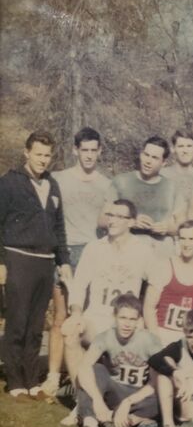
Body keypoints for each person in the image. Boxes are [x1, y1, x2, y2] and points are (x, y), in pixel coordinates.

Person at [39, 127, 117, 396]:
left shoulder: (107, 184)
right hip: (66, 252)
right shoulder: (59, 179)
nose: (89, 155)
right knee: (61, 316)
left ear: (100, 151)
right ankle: (53, 375)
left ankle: (81, 377)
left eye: (94, 150)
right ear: (75, 150)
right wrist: (58, 254)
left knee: (88, 317)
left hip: (94, 252)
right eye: (84, 150)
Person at [0, 130, 71, 397]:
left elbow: (59, 227)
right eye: (38, 154)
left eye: (47, 155)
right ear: (26, 153)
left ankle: (31, 380)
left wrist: (64, 261)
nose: (43, 160)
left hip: (45, 262)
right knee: (17, 322)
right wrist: (1, 262)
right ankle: (15, 381)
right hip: (18, 258)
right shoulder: (9, 183)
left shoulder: (52, 185)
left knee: (36, 324)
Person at [62, 199, 153, 386]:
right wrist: (76, 313)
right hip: (96, 317)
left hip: (124, 322)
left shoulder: (143, 250)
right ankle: (80, 395)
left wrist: (143, 318)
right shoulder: (94, 248)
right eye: (110, 215)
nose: (112, 220)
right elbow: (79, 285)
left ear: (131, 222)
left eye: (119, 216)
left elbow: (156, 284)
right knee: (71, 331)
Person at [72, 295, 161, 427]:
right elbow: (84, 368)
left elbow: (157, 379)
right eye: (123, 318)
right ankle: (90, 424)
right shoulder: (105, 337)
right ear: (114, 317)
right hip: (115, 391)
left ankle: (128, 418)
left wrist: (128, 402)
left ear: (139, 320)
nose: (127, 324)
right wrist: (97, 400)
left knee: (163, 394)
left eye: (132, 319)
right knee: (95, 370)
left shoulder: (150, 340)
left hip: (139, 395)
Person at [112, 136, 183, 255]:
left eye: (155, 158)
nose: (148, 161)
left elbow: (182, 225)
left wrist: (167, 228)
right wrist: (130, 222)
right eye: (146, 155)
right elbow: (103, 220)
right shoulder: (122, 181)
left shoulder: (171, 187)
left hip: (161, 253)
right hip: (127, 251)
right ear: (141, 154)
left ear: (164, 163)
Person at [161, 130, 193, 215]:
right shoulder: (162, 175)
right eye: (181, 146)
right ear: (173, 149)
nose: (185, 151)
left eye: (189, 146)